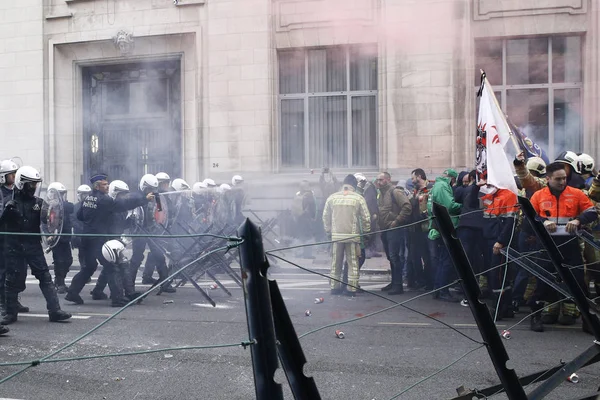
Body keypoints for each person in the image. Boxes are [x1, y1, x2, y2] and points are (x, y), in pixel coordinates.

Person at [528, 162, 598, 332]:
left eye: (564, 178)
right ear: (548, 179)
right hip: (546, 246)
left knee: (578, 281)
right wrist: (544, 222)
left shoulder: (575, 194)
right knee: (543, 281)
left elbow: (592, 211)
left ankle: (588, 320)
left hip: (570, 245)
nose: (562, 182)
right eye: (558, 179)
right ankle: (536, 316)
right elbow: (529, 217)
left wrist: (578, 220)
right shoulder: (538, 196)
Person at [65, 173, 152, 306]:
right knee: (112, 266)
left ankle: (72, 292)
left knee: (89, 267)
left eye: (107, 184)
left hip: (87, 238)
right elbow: (122, 205)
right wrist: (144, 199)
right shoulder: (104, 200)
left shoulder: (88, 198)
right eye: (104, 184)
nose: (107, 186)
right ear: (97, 186)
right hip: (99, 239)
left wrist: (93, 220)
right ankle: (117, 299)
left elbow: (80, 216)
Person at [1, 166, 72, 324]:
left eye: (35, 184)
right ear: (21, 184)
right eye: (31, 184)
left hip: (33, 246)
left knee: (45, 278)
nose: (34, 187)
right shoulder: (8, 202)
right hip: (14, 247)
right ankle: (10, 314)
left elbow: (48, 223)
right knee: (12, 280)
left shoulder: (40, 203)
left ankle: (55, 311)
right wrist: (6, 213)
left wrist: (51, 236)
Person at [323, 175, 371, 296]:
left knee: (335, 263)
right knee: (353, 263)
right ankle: (351, 289)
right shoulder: (358, 198)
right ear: (354, 185)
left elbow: (325, 216)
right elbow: (366, 218)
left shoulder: (332, 197)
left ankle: (335, 287)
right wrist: (366, 232)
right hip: (352, 237)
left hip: (336, 236)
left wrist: (329, 231)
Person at [130, 174, 175, 293]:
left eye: (153, 189)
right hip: (139, 232)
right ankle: (129, 288)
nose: (151, 191)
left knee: (159, 256)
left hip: (152, 231)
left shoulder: (157, 197)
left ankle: (165, 283)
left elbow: (161, 212)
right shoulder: (137, 196)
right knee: (136, 259)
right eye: (149, 189)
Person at [427, 169, 462, 302]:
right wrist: (465, 206)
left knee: (442, 260)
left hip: (439, 226)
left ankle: (438, 288)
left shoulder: (437, 185)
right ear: (452, 179)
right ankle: (443, 290)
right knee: (446, 261)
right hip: (446, 226)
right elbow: (450, 206)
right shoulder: (443, 186)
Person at [0, 159, 28, 317]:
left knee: (20, 271)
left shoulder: (19, 191)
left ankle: (14, 299)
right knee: (4, 272)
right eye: (12, 174)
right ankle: (4, 302)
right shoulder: (1, 193)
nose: (15, 176)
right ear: (4, 176)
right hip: (4, 238)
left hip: (18, 237)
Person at [376, 172, 412, 295]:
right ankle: (394, 282)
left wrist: (396, 222)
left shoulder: (395, 191)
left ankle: (398, 285)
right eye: (378, 180)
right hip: (385, 229)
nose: (379, 182)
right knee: (391, 257)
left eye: (381, 180)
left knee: (394, 256)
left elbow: (407, 207)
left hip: (394, 229)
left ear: (388, 179)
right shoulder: (381, 193)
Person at [407, 168, 433, 289]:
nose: (412, 181)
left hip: (426, 228)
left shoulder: (430, 188)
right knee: (415, 256)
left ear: (419, 176)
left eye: (413, 178)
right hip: (415, 228)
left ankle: (429, 282)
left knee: (428, 257)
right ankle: (420, 280)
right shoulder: (415, 191)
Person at [48, 182, 74, 295]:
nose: (63, 196)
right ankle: (60, 283)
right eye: (60, 194)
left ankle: (59, 280)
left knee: (68, 260)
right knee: (59, 261)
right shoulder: (50, 207)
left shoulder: (64, 206)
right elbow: (45, 223)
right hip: (56, 237)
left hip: (65, 237)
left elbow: (71, 208)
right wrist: (48, 235)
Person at [354, 173, 380, 260]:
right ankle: (368, 251)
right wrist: (372, 213)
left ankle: (371, 250)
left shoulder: (370, 188)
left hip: (371, 213)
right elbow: (369, 201)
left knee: (372, 231)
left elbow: (372, 201)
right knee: (370, 231)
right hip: (369, 214)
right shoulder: (369, 188)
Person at [291, 180, 317, 259]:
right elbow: (312, 207)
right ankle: (307, 254)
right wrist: (313, 217)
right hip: (306, 219)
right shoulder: (309, 196)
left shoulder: (297, 195)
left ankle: (297, 253)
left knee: (300, 236)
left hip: (299, 218)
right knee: (308, 237)